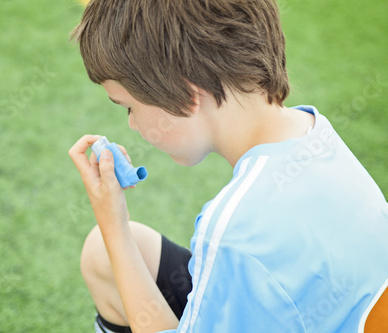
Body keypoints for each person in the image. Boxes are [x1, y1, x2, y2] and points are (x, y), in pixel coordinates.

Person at [68, 0, 388, 332]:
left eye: (129, 108)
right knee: (101, 257)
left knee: (112, 247)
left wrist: (113, 225)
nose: (133, 125)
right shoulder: (317, 131)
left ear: (184, 96)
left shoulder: (236, 230)